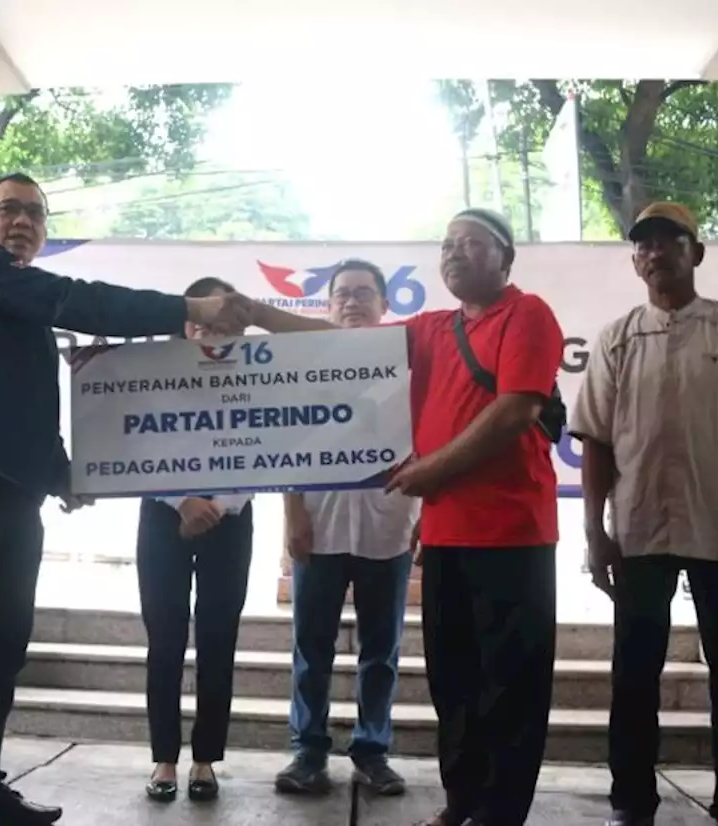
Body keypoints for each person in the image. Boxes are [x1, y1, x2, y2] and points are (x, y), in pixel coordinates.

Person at [0, 173, 253, 826]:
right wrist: (185, 310)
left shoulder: (18, 307)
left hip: (13, 492)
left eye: (34, 213)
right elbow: (82, 299)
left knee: (1, 643)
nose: (21, 221)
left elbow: (20, 400)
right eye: (7, 209)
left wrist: (64, 473)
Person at [238, 208, 563, 826]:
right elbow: (338, 343)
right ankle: (461, 801)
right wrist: (255, 313)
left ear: (506, 258)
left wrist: (435, 469)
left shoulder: (528, 315)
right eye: (447, 244)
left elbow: (517, 409)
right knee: (454, 681)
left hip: (510, 533)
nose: (455, 253)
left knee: (510, 685)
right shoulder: (434, 327)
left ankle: (499, 813)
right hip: (444, 535)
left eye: (471, 243)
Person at [569, 202, 718, 826]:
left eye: (669, 242)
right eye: (643, 245)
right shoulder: (617, 337)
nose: (655, 253)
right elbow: (595, 441)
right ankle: (632, 799)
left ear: (695, 253)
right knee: (634, 672)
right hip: (640, 529)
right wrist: (595, 532)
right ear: (635, 261)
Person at [273, 259, 416, 798]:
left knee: (381, 650)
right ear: (327, 306)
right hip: (320, 524)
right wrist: (292, 514)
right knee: (312, 646)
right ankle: (308, 751)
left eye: (363, 293)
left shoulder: (407, 365)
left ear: (384, 305)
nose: (352, 302)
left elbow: (423, 441)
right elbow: (284, 441)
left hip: (389, 526)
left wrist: (421, 515)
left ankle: (372, 751)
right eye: (342, 295)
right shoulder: (304, 365)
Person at [139, 276, 254, 804]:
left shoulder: (259, 375)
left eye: (220, 323)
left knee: (217, 640)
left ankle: (205, 759)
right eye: (200, 322)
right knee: (163, 640)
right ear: (185, 324)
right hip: (163, 515)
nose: (209, 331)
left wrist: (218, 506)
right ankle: (164, 756)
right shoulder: (148, 373)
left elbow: (268, 444)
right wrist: (182, 500)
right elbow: (131, 441)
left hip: (231, 519)